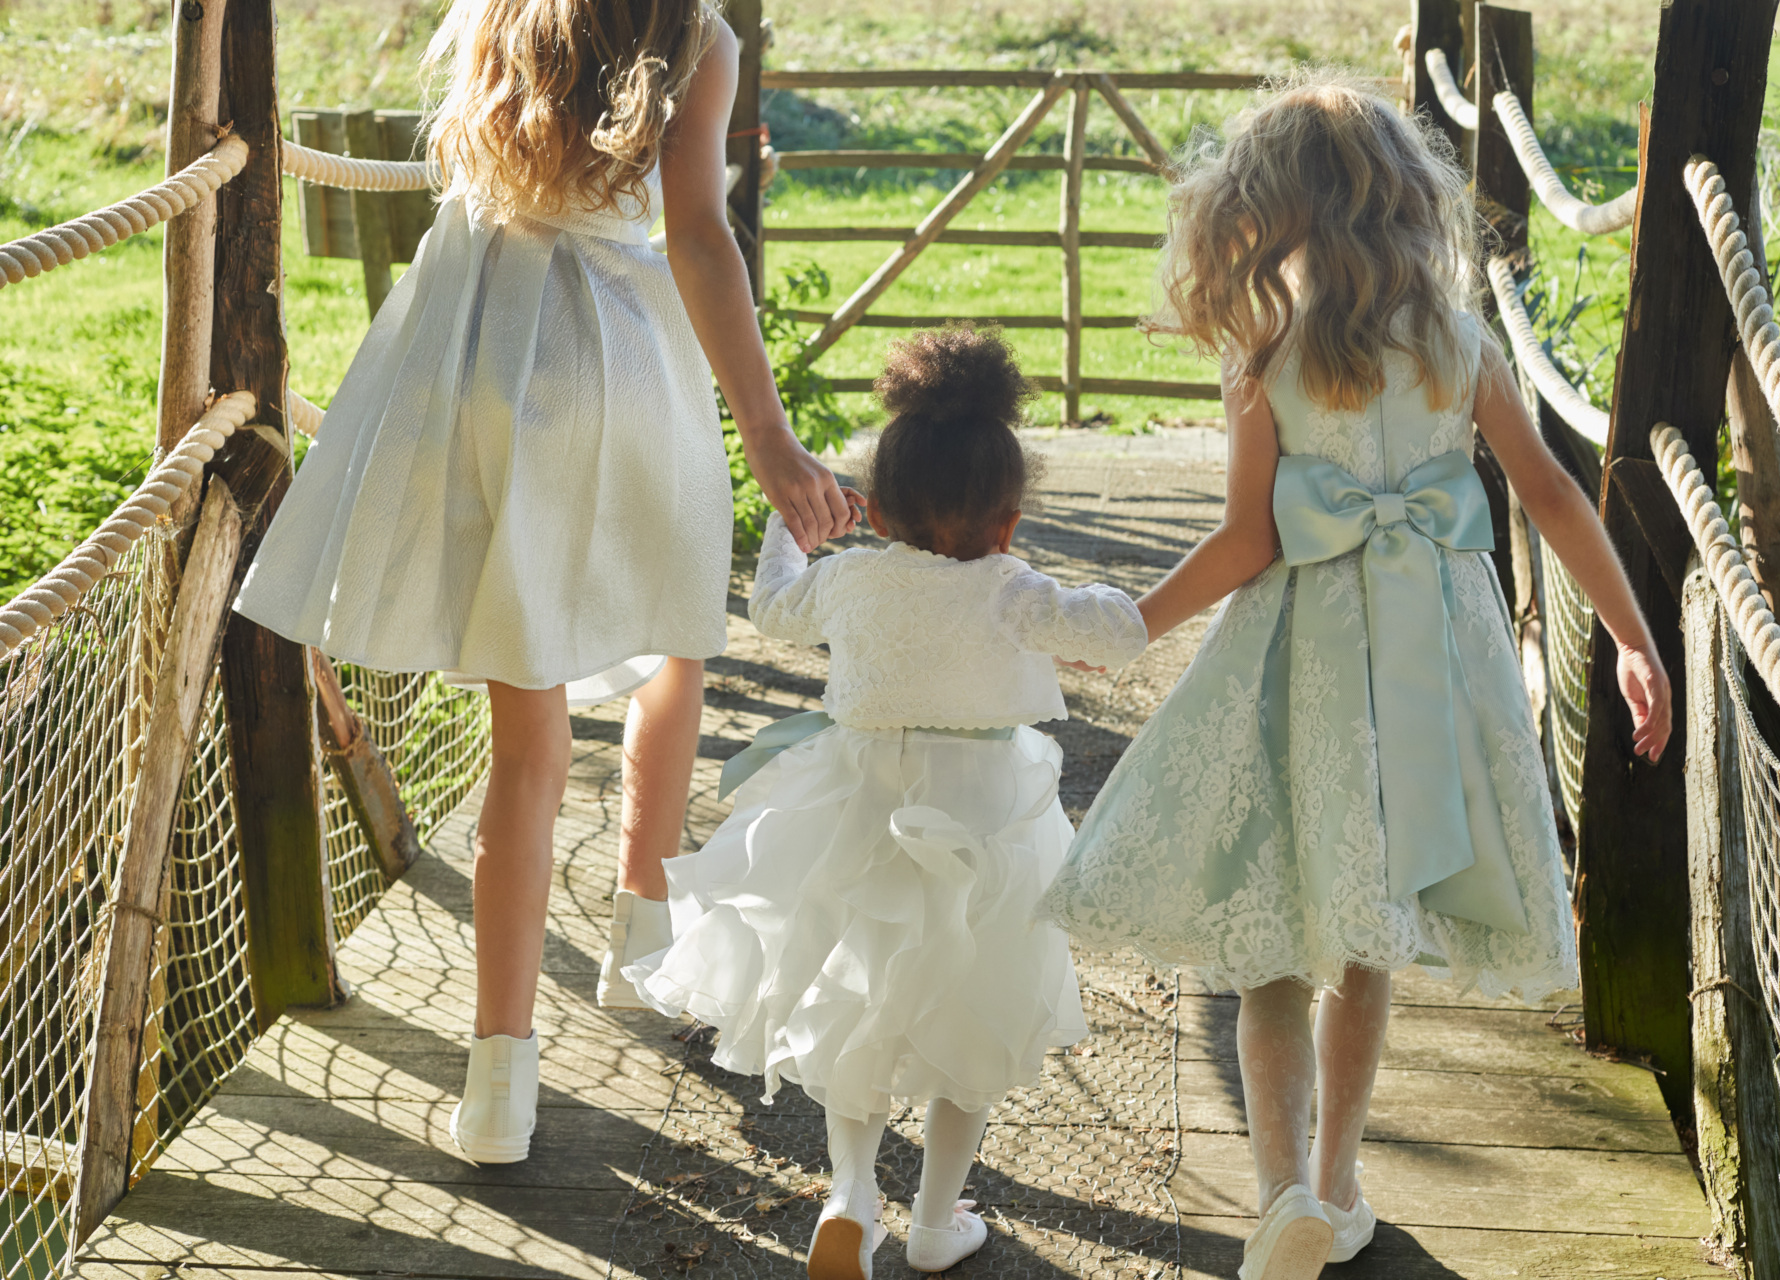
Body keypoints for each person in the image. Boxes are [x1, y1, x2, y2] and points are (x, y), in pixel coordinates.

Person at [1039, 72, 1672, 1280]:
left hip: (1297, 658)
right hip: (1426, 656)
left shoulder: (1265, 352)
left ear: (1266, 207)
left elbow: (1248, 540)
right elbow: (1546, 492)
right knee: (1367, 928)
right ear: (1401, 199)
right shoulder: (1458, 338)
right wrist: (1634, 637)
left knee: (1272, 932)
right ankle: (1337, 1178)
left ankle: (1281, 1194)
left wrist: (1130, 618)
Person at [232, 0, 856, 1164]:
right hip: (618, 359)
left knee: (526, 746)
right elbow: (699, 239)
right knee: (677, 638)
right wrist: (771, 441)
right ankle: (640, 937)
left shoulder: (504, 15)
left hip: (476, 357)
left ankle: (496, 1086)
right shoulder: (697, 37)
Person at [626, 328, 1148, 1279]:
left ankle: (850, 1195)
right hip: (986, 821)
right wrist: (1101, 598)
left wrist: (794, 524)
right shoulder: (1013, 589)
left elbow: (772, 608)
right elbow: (1115, 633)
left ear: (881, 508)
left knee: (854, 1008)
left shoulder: (851, 578)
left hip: (854, 807)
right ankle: (935, 1222)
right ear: (1009, 519)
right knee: (974, 1017)